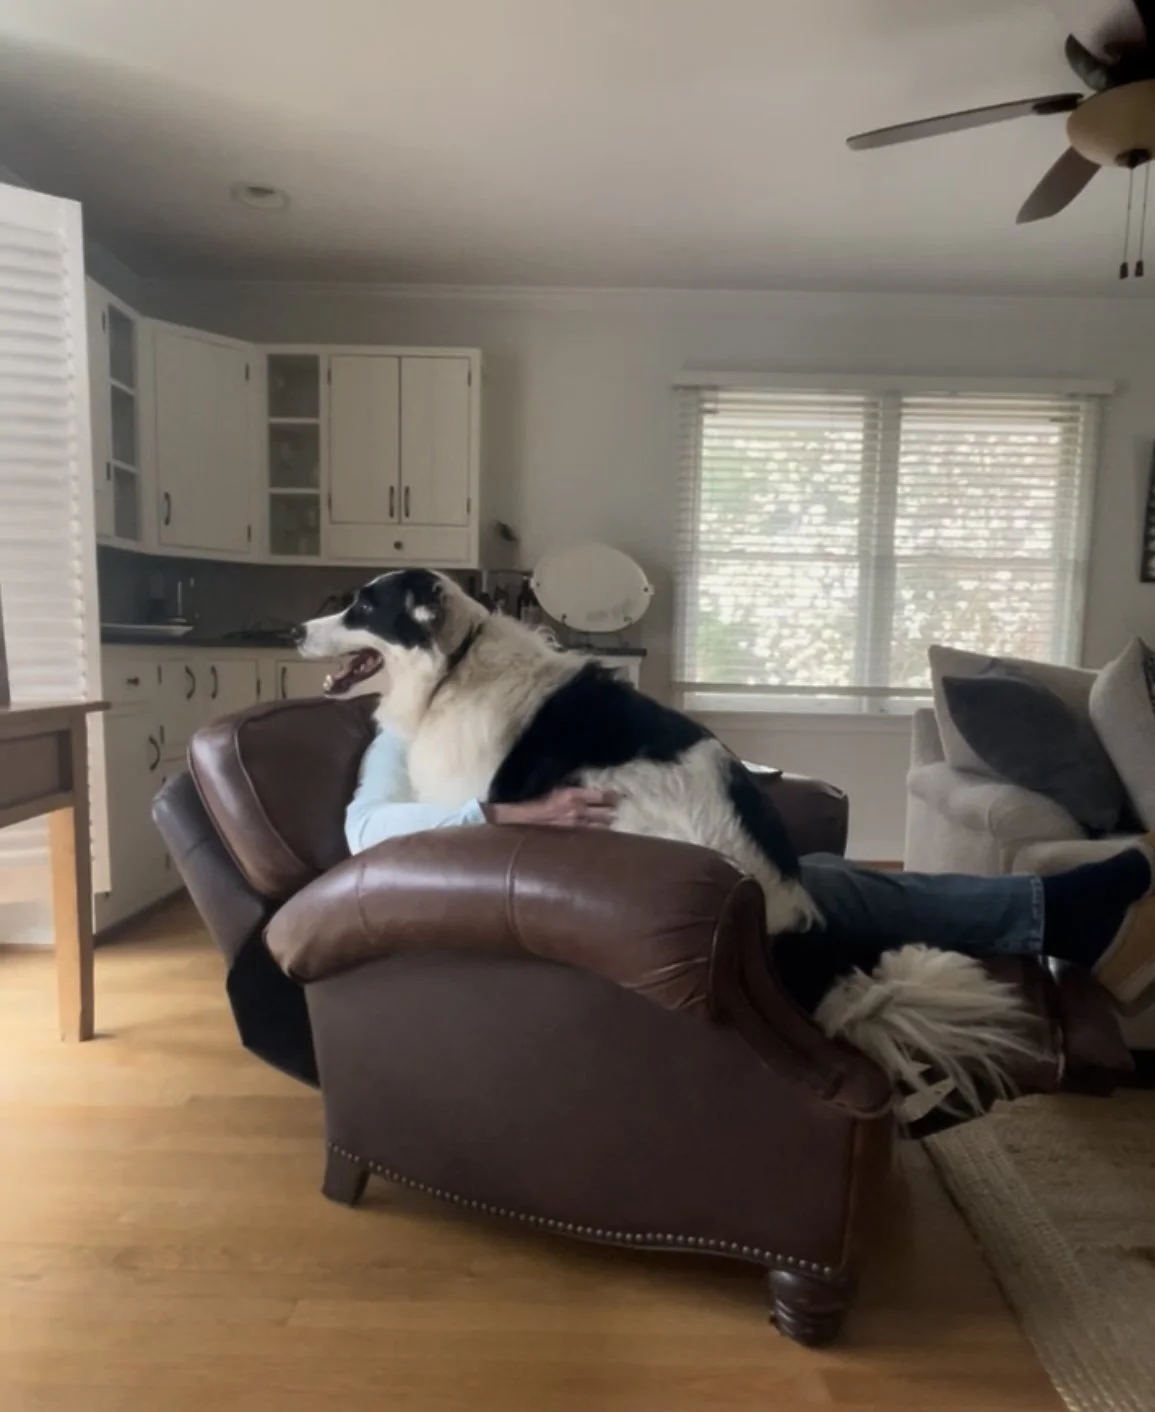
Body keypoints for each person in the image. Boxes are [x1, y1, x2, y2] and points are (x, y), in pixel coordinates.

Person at [345, 724, 1155, 1012]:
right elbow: (366, 831)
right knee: (817, 890)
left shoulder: (496, 720)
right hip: (560, 905)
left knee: (822, 881)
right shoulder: (400, 739)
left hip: (609, 873)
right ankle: (1061, 915)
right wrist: (507, 815)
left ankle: (1060, 920)